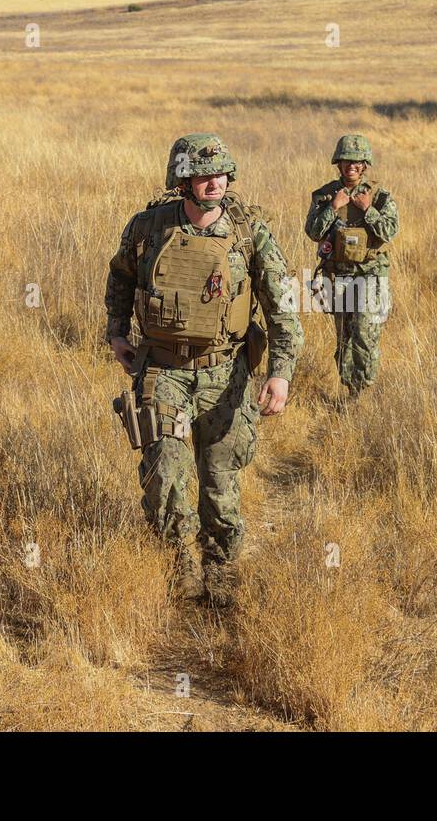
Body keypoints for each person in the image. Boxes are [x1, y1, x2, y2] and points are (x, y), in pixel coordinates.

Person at [104, 134, 303, 605]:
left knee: (219, 482)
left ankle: (222, 571)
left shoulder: (248, 231)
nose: (214, 181)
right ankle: (180, 568)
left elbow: (282, 308)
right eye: (202, 173)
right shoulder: (149, 227)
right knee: (166, 475)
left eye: (220, 173)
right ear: (183, 179)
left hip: (224, 373)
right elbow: (120, 276)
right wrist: (116, 332)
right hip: (162, 370)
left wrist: (281, 371)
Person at [304, 134, 399, 399]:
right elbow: (312, 231)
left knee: (365, 336)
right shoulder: (326, 195)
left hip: (370, 276)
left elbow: (389, 232)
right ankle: (350, 391)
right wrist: (333, 207)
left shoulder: (379, 197)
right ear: (338, 163)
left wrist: (368, 210)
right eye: (347, 161)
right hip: (338, 277)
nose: (352, 166)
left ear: (365, 164)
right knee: (345, 339)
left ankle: (363, 393)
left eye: (357, 162)